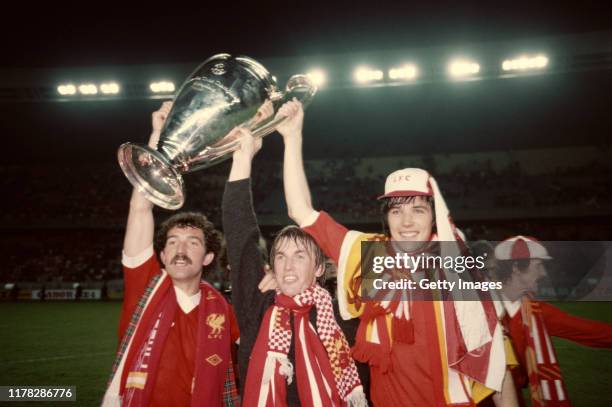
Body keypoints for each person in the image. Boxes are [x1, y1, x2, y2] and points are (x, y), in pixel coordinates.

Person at [279, 99, 506, 406]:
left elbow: (490, 351)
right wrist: (293, 137)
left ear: (434, 213)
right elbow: (300, 211)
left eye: (418, 210)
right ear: (386, 217)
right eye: (396, 211)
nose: (407, 222)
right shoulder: (370, 253)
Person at [222, 114, 367, 406]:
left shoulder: (345, 313)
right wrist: (242, 157)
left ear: (318, 267)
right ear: (271, 265)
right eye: (281, 256)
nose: (288, 266)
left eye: (300, 256)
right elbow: (240, 237)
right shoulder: (258, 302)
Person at [103, 102, 240, 407]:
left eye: (192, 242)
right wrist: (158, 137)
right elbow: (140, 208)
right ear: (161, 255)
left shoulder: (221, 308)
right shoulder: (145, 286)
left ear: (207, 257)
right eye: (173, 242)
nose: (180, 249)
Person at [492, 236, 612, 407]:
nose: (544, 273)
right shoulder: (476, 308)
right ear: (516, 268)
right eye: (538, 266)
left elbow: (592, 331)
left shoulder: (537, 312)